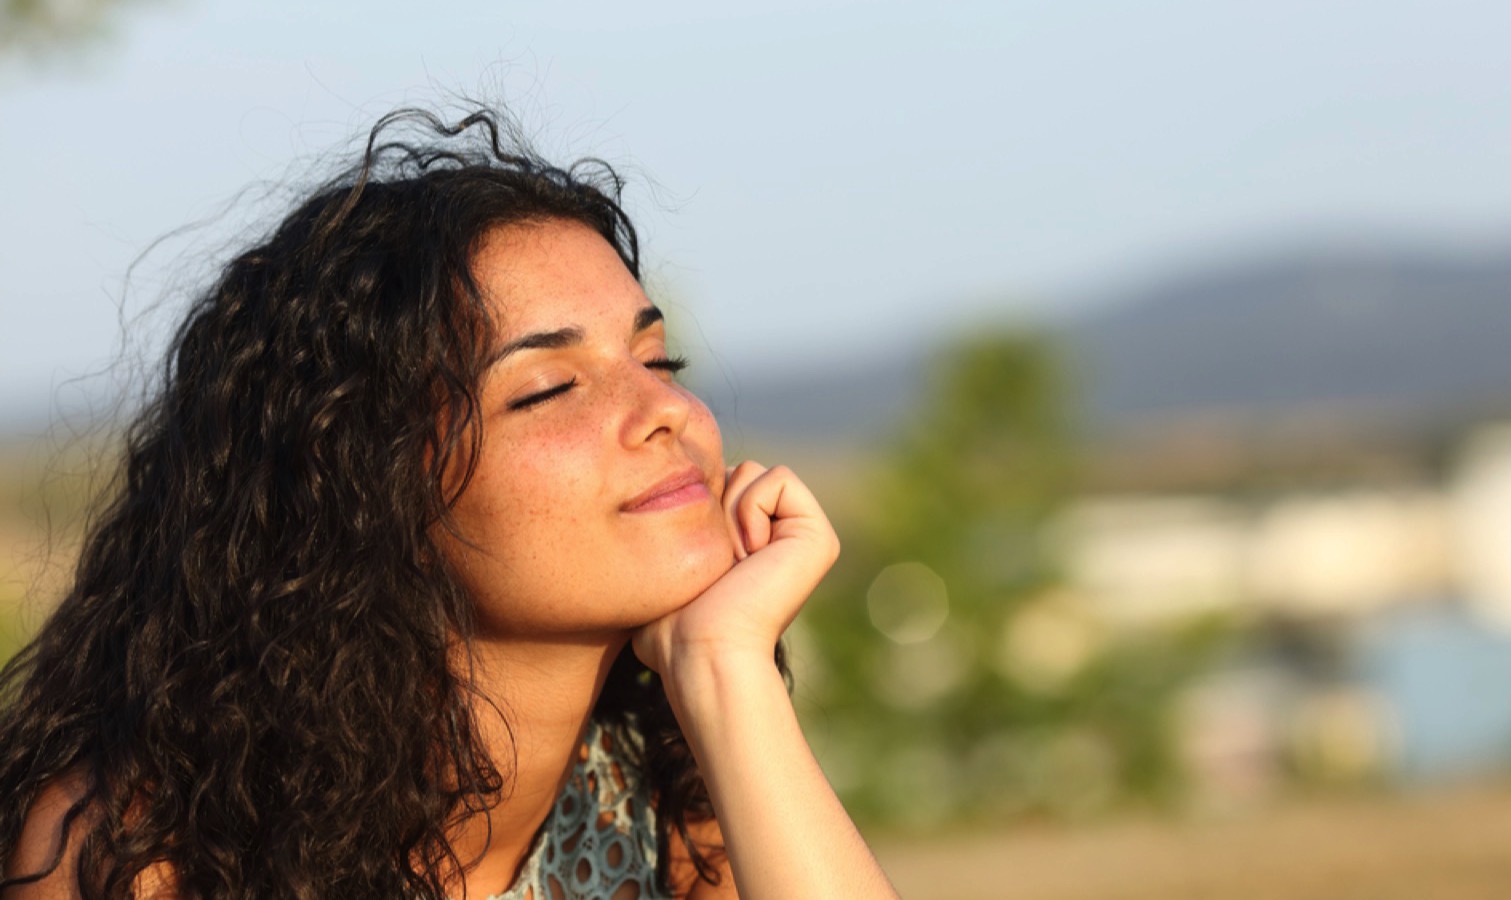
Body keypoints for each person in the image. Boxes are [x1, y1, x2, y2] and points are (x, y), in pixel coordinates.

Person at [0, 107, 899, 900]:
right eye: (549, 387)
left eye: (659, 361)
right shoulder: (146, 859)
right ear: (367, 489)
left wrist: (724, 670)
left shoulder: (670, 797)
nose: (667, 412)